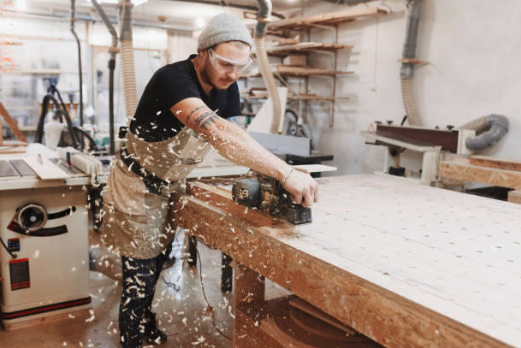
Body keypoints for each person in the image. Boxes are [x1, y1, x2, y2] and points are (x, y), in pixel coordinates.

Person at [102, 13, 319, 348]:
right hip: (137, 186)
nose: (232, 75)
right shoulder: (172, 79)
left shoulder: (226, 87)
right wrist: (285, 172)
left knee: (157, 262)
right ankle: (131, 337)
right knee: (139, 274)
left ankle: (145, 320)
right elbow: (217, 132)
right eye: (225, 65)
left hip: (170, 184)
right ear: (202, 52)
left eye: (239, 68)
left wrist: (268, 176)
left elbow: (236, 138)